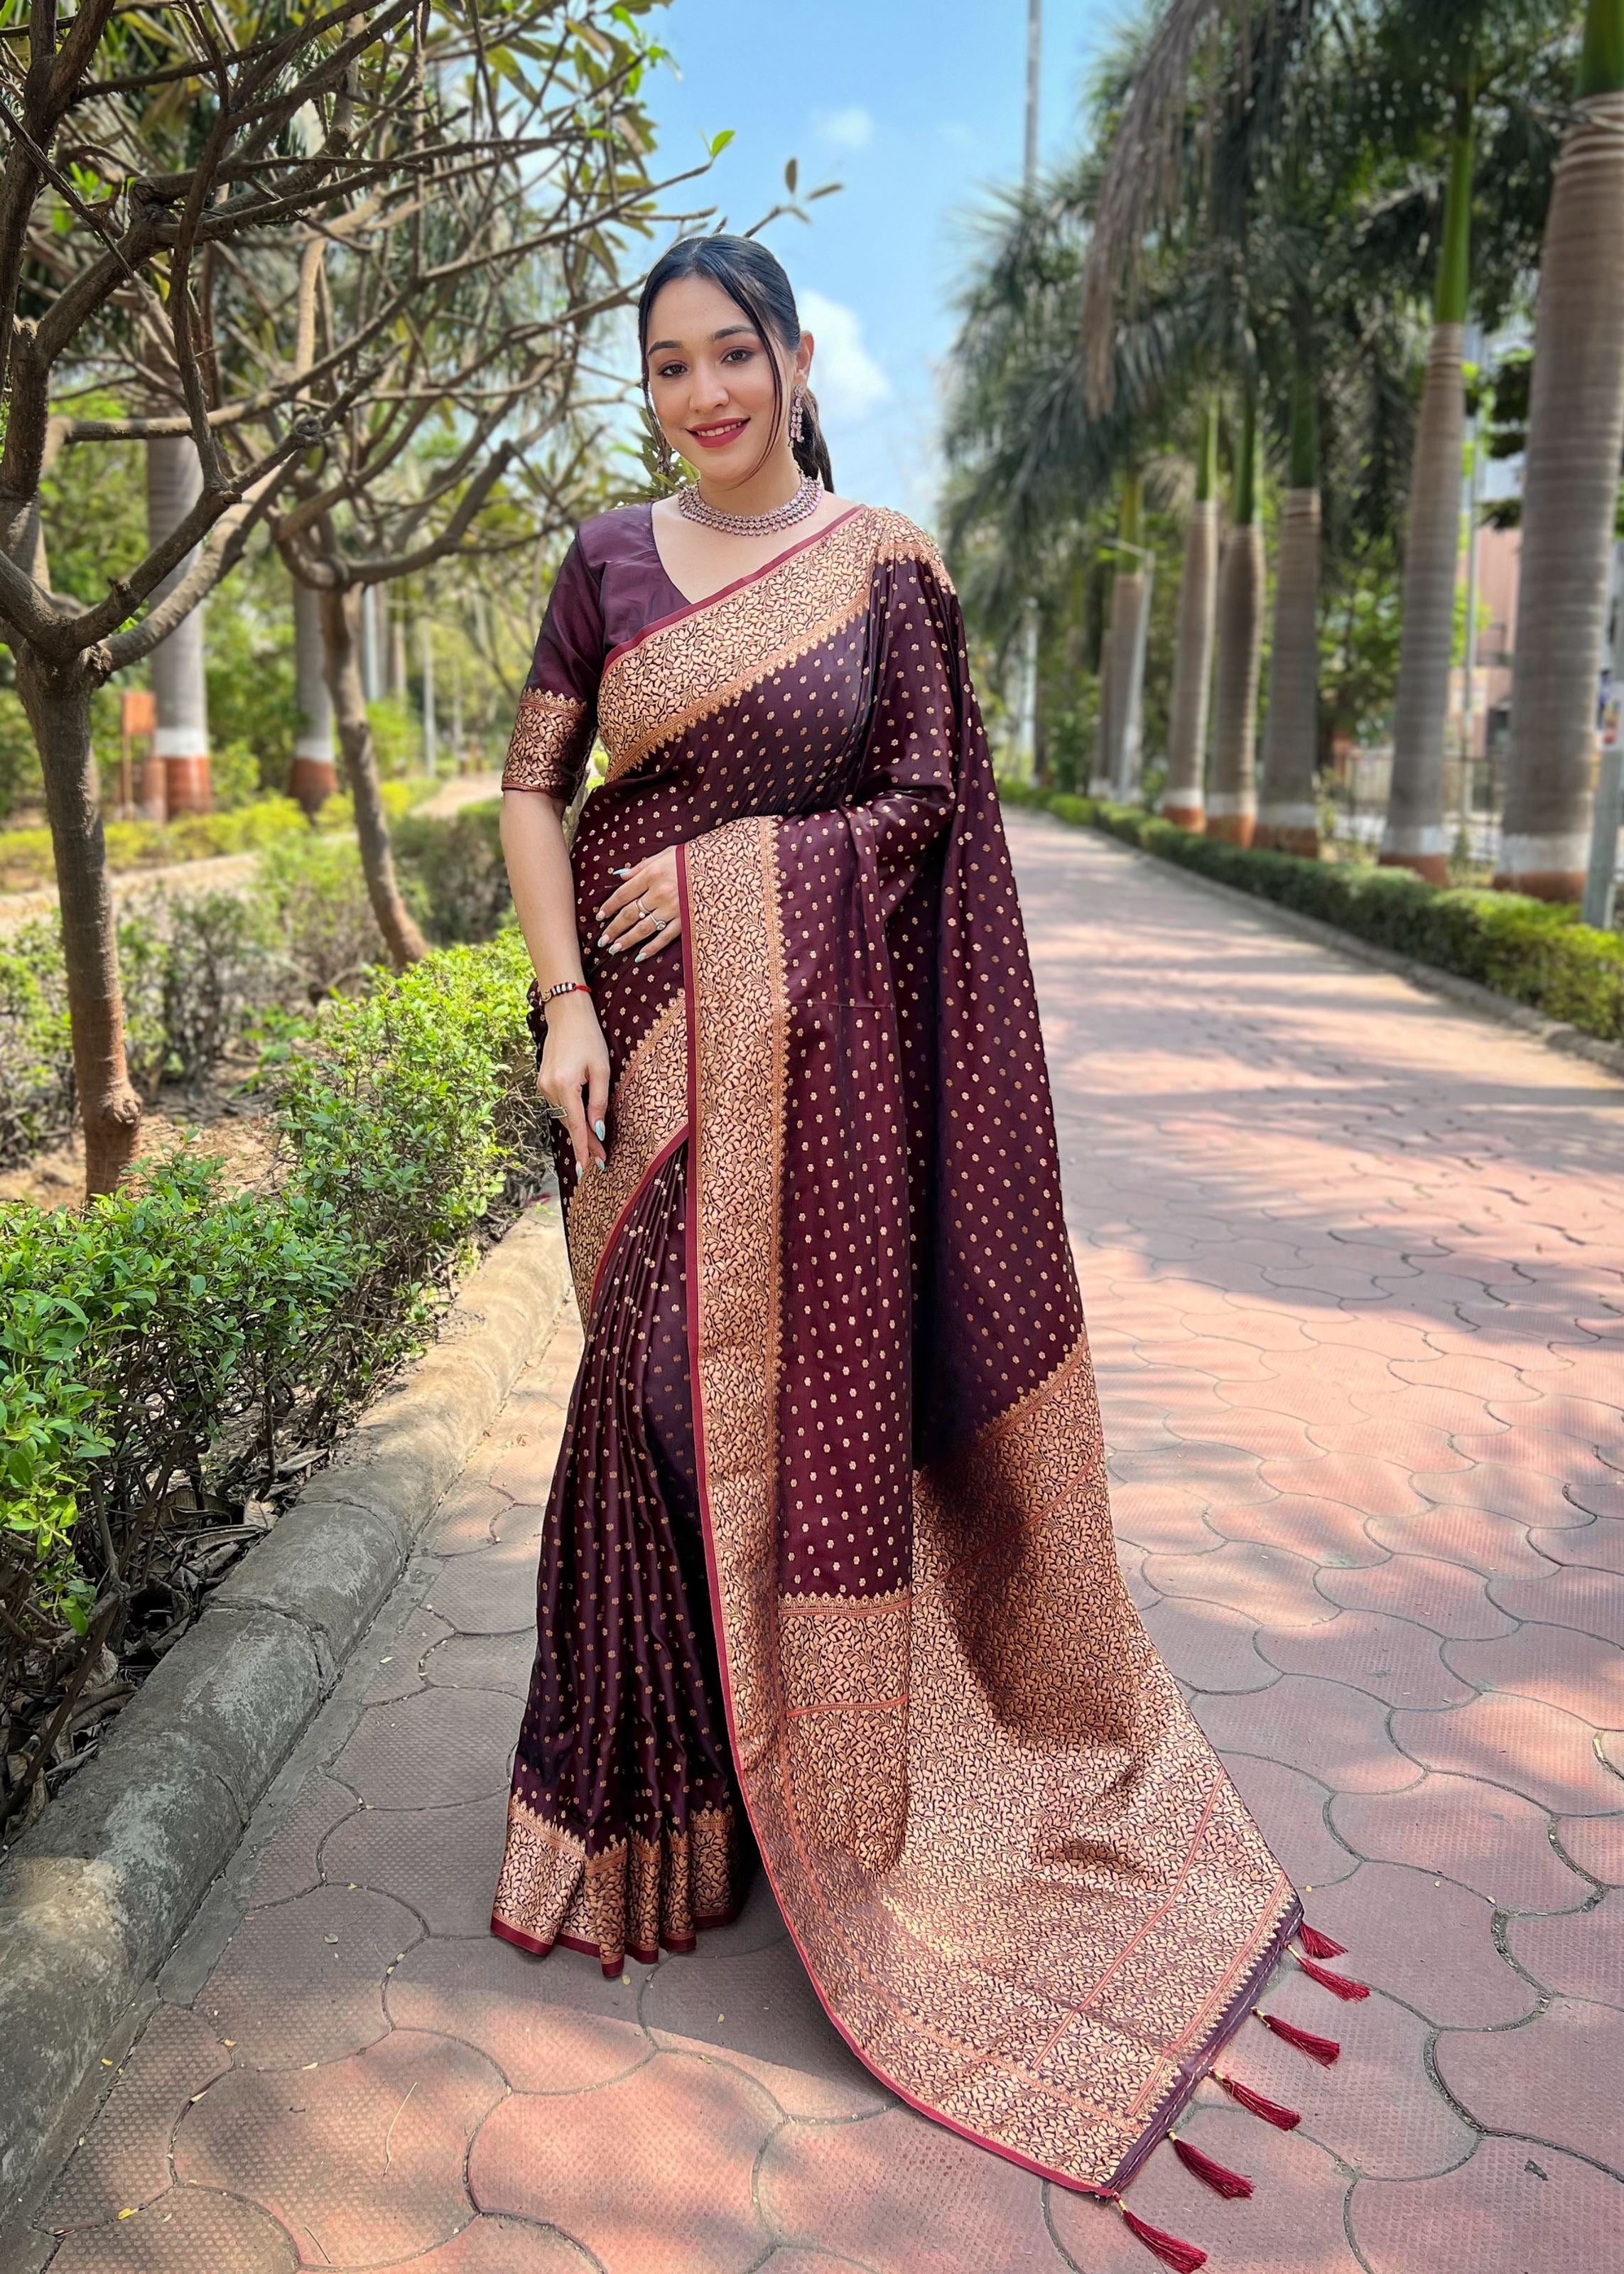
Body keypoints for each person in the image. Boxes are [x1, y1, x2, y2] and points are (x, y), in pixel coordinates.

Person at [493, 233, 1358, 2264]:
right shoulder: (607, 564)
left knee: (770, 1424)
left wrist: (725, 868)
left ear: (797, 362)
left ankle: (821, 1796)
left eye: (736, 356)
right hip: (634, 1063)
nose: (705, 395)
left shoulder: (885, 564)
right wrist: (555, 1005)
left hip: (819, 1070)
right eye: (670, 367)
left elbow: (919, 815)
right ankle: (655, 1820)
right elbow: (533, 791)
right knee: (641, 1414)